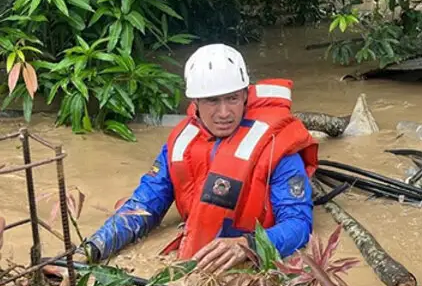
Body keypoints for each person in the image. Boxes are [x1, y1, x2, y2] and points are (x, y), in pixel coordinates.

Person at [80, 44, 318, 274]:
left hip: (250, 250)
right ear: (194, 102)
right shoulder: (180, 146)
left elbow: (299, 225)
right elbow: (143, 206)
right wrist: (91, 250)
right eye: (212, 101)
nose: (224, 113)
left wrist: (248, 245)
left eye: (232, 98)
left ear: (246, 95)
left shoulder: (277, 145)